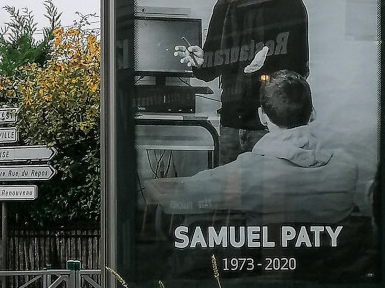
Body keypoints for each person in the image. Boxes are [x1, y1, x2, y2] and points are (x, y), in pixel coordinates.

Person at [143, 70, 358, 224]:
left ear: (262, 116)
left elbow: (176, 195)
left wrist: (154, 187)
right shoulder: (347, 168)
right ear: (312, 113)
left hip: (267, 276)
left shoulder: (246, 172)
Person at [175, 0, 309, 163]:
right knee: (230, 198)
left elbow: (299, 75)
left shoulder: (291, 4)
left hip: (271, 130)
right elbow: (209, 70)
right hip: (229, 126)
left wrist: (267, 64)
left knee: (267, 199)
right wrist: (201, 60)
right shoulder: (225, 4)